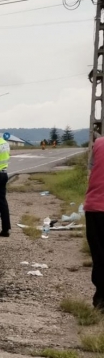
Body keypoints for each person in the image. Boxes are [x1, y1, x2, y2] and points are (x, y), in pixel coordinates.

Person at [85, 131, 104, 310]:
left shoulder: (98, 143)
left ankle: (100, 300)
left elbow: (91, 169)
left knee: (99, 255)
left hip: (95, 207)